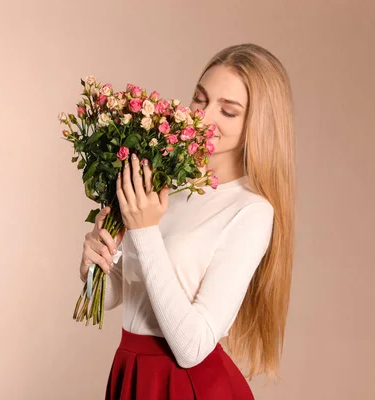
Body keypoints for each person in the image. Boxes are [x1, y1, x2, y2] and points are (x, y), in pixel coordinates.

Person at [79, 43, 296, 399]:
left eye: (228, 111)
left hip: (186, 386)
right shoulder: (165, 182)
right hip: (130, 371)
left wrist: (145, 231)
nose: (204, 117)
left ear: (258, 125)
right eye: (200, 100)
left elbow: (191, 348)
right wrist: (94, 266)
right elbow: (115, 298)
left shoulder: (251, 212)